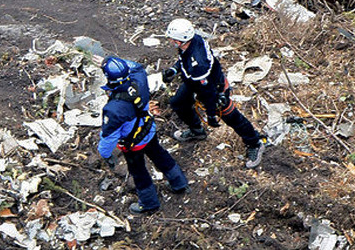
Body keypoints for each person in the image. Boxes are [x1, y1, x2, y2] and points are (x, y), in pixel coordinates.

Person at [161, 18, 267, 169]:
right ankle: (196, 130)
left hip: (213, 89)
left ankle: (255, 142)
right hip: (194, 82)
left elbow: (208, 91)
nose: (171, 41)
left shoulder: (198, 63)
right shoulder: (192, 41)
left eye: (172, 39)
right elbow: (183, 60)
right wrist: (174, 69)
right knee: (178, 103)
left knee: (232, 118)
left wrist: (211, 114)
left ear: (180, 41)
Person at [98, 55, 189, 214]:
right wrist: (120, 64)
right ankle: (179, 183)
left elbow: (109, 137)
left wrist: (105, 154)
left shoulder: (113, 109)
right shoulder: (139, 79)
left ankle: (149, 203)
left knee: (139, 172)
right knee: (160, 155)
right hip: (148, 130)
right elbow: (137, 66)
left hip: (132, 144)